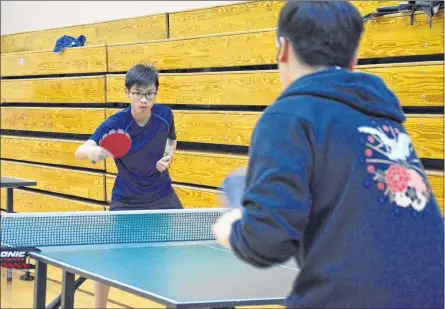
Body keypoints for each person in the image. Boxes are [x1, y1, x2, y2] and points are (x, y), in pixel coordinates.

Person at [212, 1, 444, 308]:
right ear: (354, 60)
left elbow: (266, 241)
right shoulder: (386, 122)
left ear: (283, 49)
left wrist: (231, 227)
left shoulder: (288, 116)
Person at [74, 63, 183, 308]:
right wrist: (98, 150)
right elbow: (80, 152)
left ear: (156, 91)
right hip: (127, 198)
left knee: (181, 253)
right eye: (138, 93)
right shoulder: (117, 123)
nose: (144, 100)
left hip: (161, 194)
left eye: (150, 94)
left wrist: (168, 157)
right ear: (127, 92)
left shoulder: (164, 115)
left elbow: (172, 141)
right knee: (109, 257)